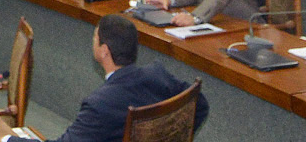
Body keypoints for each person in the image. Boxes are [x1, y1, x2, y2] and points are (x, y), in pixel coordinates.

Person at [53, 14, 206, 142]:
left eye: (94, 37)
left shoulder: (99, 104)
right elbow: (200, 104)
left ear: (104, 51)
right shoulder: (158, 74)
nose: (92, 41)